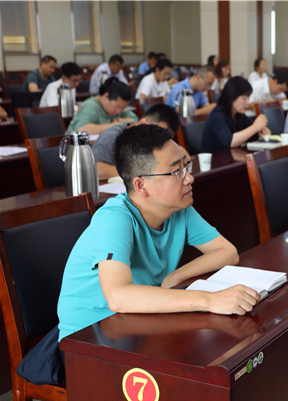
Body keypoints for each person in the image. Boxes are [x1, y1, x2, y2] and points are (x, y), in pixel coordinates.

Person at [57, 124, 259, 342]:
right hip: (88, 339)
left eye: (186, 166)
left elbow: (227, 252)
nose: (189, 178)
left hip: (139, 323)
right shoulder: (114, 218)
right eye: (176, 172)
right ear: (141, 185)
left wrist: (176, 276)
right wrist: (209, 300)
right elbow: (118, 296)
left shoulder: (179, 209)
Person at [93, 103, 180, 180]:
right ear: (143, 123)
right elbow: (94, 169)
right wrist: (138, 172)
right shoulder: (111, 137)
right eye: (157, 133)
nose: (159, 140)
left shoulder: (156, 142)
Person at [201, 76, 270, 152]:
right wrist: (256, 127)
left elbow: (255, 131)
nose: (248, 102)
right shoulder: (217, 116)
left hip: (230, 156)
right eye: (244, 98)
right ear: (232, 97)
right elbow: (230, 142)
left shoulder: (238, 113)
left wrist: (261, 130)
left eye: (248, 98)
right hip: (214, 158)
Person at [66, 78, 138, 134]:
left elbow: (135, 120)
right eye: (117, 107)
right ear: (106, 96)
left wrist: (120, 121)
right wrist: (114, 126)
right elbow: (80, 129)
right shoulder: (91, 106)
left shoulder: (120, 107)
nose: (119, 111)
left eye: (122, 108)